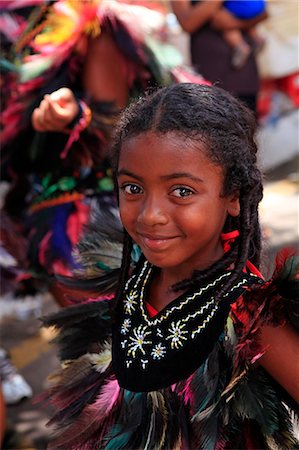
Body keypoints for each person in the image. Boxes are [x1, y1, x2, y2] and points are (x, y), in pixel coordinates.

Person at [42, 83, 299, 449]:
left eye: (181, 191)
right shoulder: (128, 271)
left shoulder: (250, 312)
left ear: (233, 198)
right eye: (133, 188)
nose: (150, 215)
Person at [171, 0, 268, 112]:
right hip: (211, 76)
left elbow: (263, 13)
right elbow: (187, 24)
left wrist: (232, 22)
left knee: (246, 120)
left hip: (244, 74)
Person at [222, 1, 266, 69]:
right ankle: (257, 38)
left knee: (226, 23)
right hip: (258, 5)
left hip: (240, 7)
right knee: (250, 19)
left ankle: (240, 46)